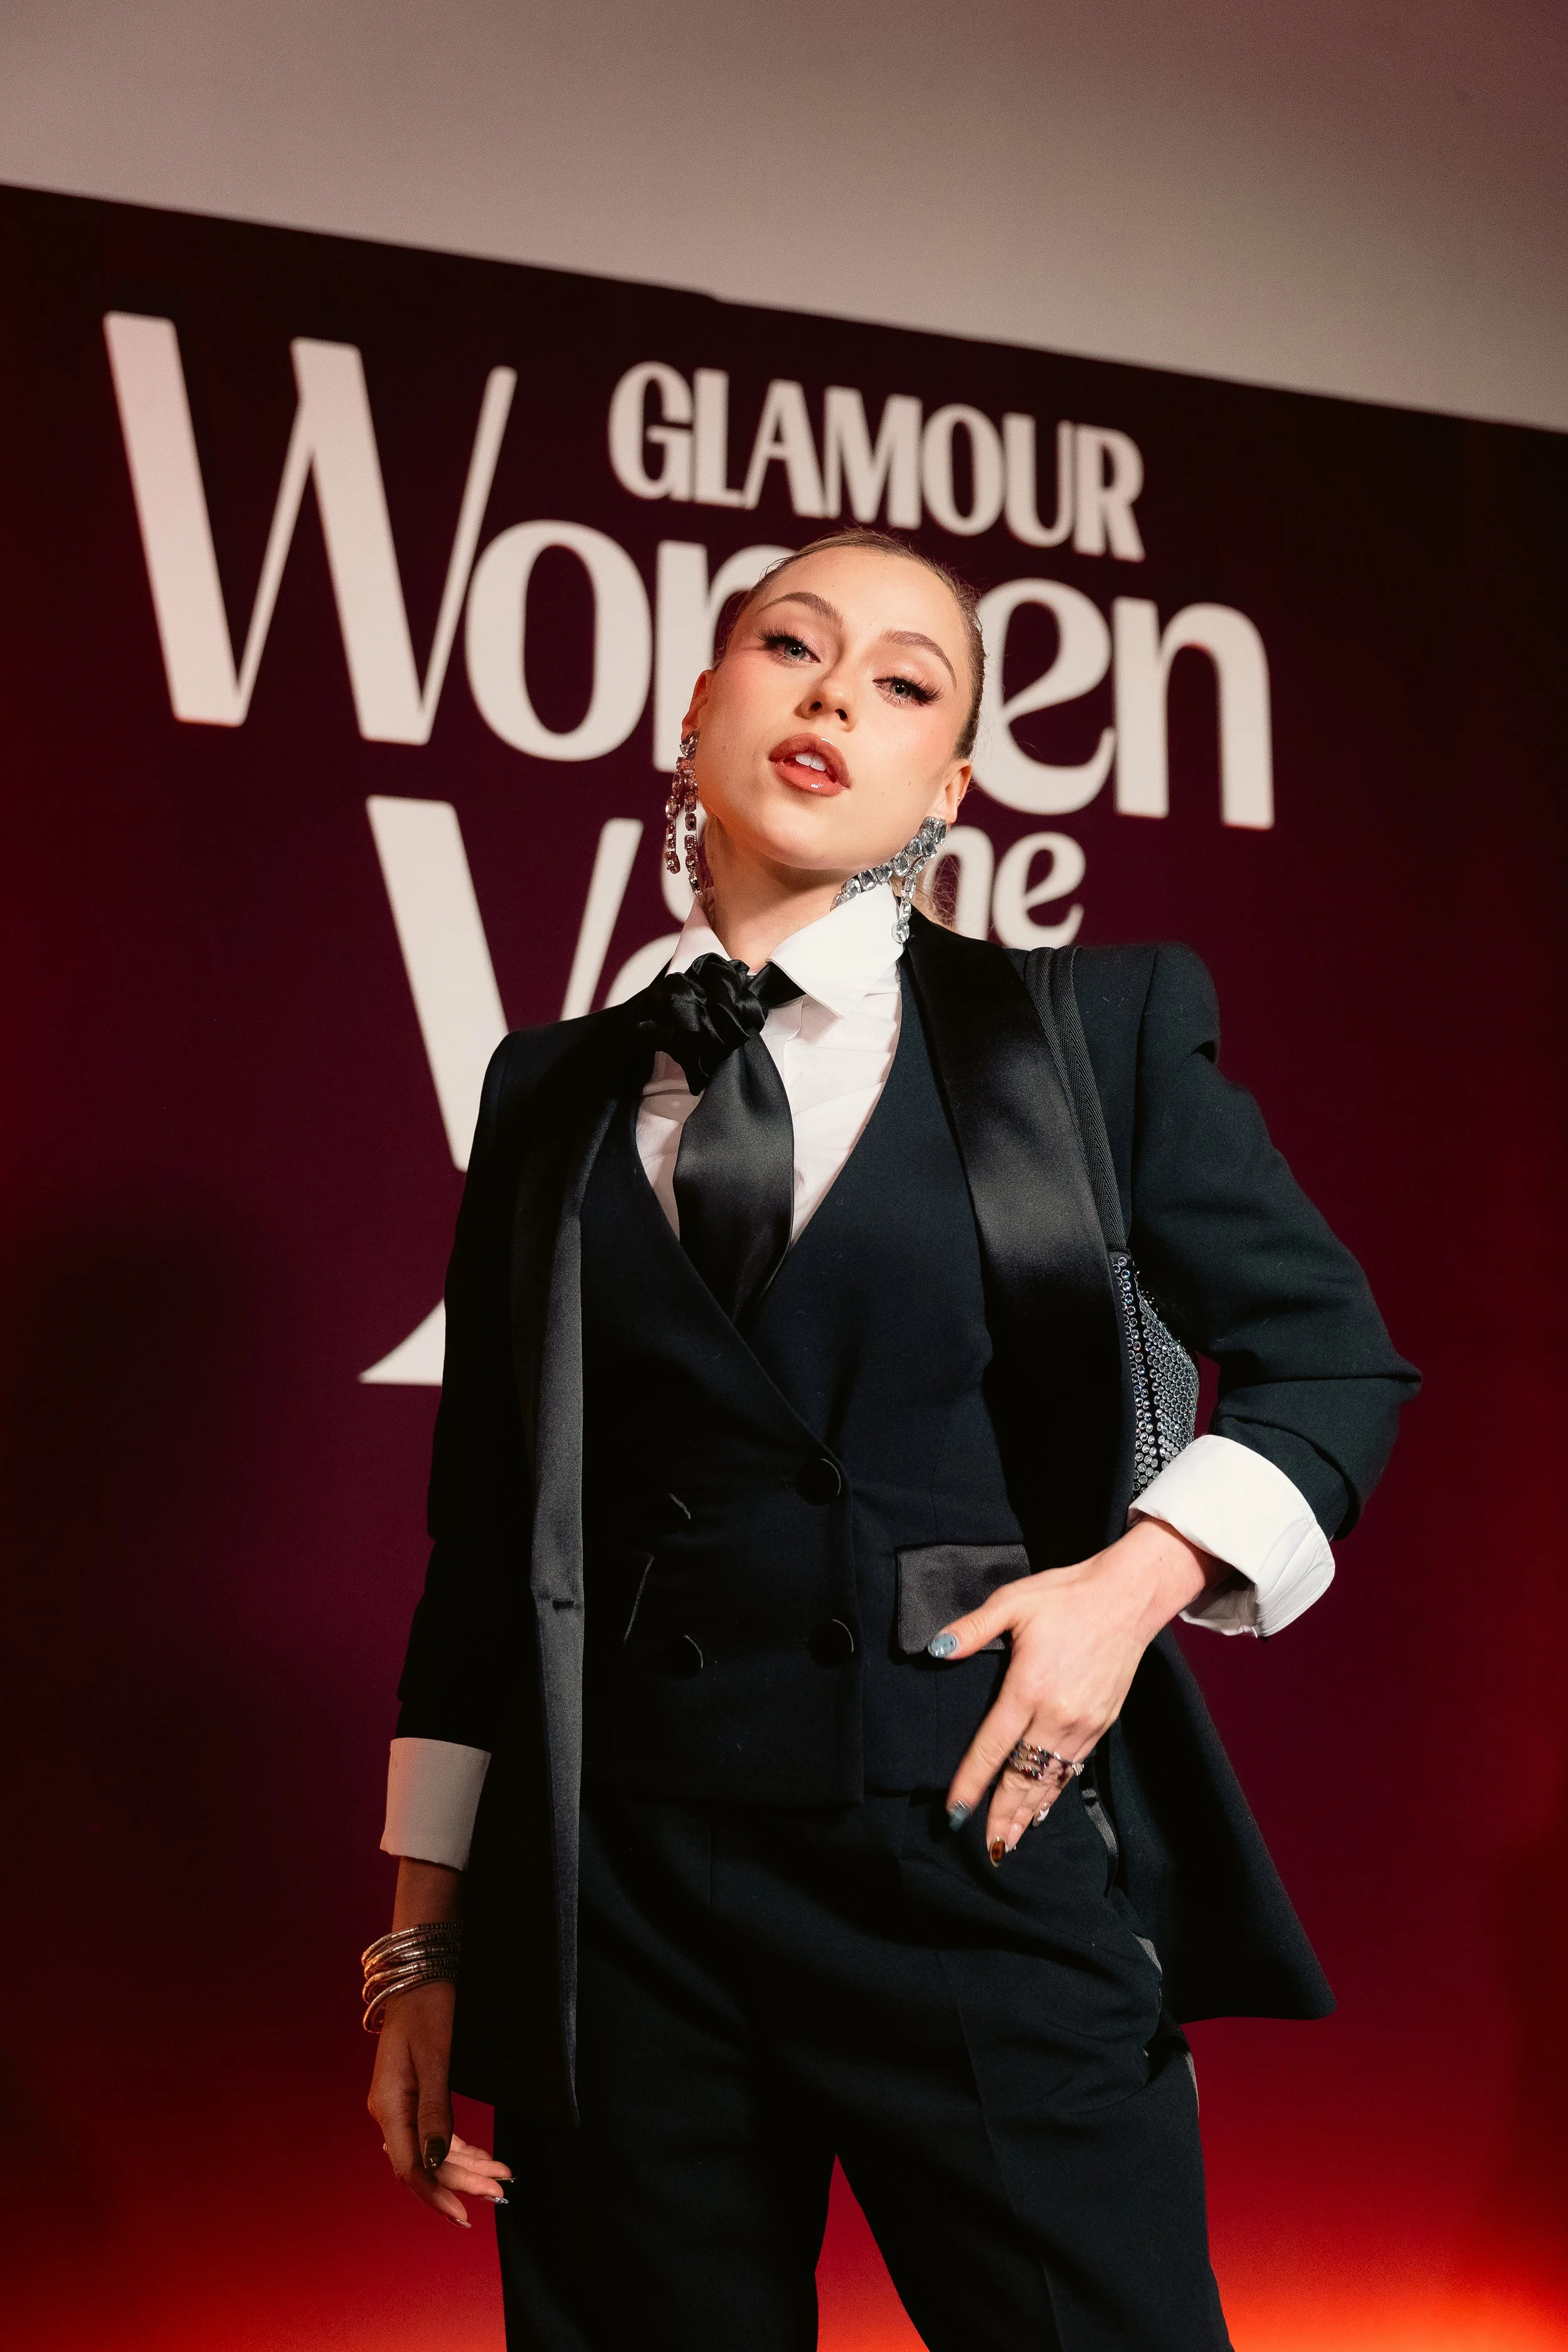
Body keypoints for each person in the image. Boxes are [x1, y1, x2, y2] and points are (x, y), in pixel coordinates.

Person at [364, 529, 1417, 2351]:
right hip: (629, 1896)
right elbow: (488, 1538)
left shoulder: (1096, 1031)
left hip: (971, 1834)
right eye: (793, 642)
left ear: (947, 782)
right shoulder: (549, 1086)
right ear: (700, 710)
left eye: (907, 679)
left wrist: (1129, 1588)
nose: (838, 688)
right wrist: (425, 1934)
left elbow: (1336, 1365)